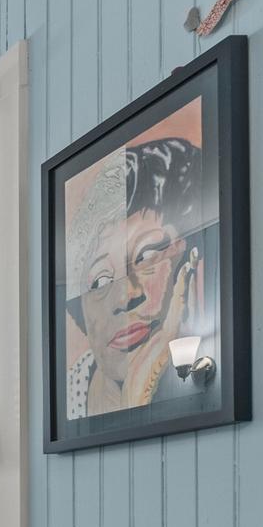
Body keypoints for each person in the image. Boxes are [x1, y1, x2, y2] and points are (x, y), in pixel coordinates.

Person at [63, 136, 212, 419]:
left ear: (195, 257)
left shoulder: (208, 376)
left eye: (146, 257)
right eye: (101, 281)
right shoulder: (68, 397)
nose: (124, 296)